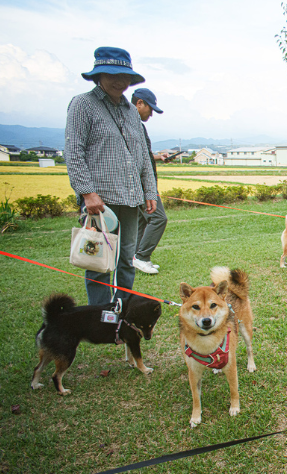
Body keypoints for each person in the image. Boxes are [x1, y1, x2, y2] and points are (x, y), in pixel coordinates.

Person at [65, 46, 158, 305]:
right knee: (98, 260)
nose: (119, 81)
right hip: (100, 201)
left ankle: (123, 307)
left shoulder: (130, 111)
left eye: (124, 76)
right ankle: (99, 314)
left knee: (127, 259)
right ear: (99, 75)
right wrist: (87, 193)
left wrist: (149, 191)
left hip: (131, 199)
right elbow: (73, 153)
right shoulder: (83, 104)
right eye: (111, 75)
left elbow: (143, 156)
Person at [130, 88, 168, 275]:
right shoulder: (130, 124)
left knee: (142, 221)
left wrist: (159, 158)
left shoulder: (136, 124)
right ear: (139, 103)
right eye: (150, 109)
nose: (151, 114)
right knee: (159, 218)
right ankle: (141, 257)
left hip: (141, 182)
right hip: (141, 183)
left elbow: (143, 155)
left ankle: (134, 257)